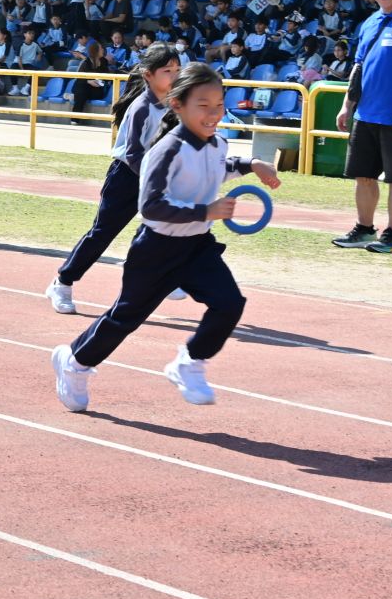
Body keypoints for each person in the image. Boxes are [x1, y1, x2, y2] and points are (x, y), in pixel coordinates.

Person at [52, 63, 279, 412]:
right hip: (156, 250)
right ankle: (74, 362)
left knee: (230, 303)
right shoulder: (166, 150)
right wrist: (205, 211)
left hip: (196, 247)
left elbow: (221, 165)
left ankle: (190, 361)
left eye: (219, 104)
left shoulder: (218, 143)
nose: (213, 113)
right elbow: (151, 206)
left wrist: (253, 164)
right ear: (178, 105)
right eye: (203, 105)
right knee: (125, 318)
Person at [47, 43, 183, 313]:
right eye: (168, 71)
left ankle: (167, 276)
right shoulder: (141, 107)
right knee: (101, 235)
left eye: (178, 70)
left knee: (169, 229)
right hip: (126, 178)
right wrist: (154, 179)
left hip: (153, 178)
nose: (175, 76)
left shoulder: (174, 104)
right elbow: (133, 154)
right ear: (148, 75)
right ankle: (62, 282)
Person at [332, 0, 392, 253]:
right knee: (363, 176)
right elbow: (358, 67)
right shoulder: (370, 22)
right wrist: (346, 105)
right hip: (365, 113)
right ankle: (364, 229)